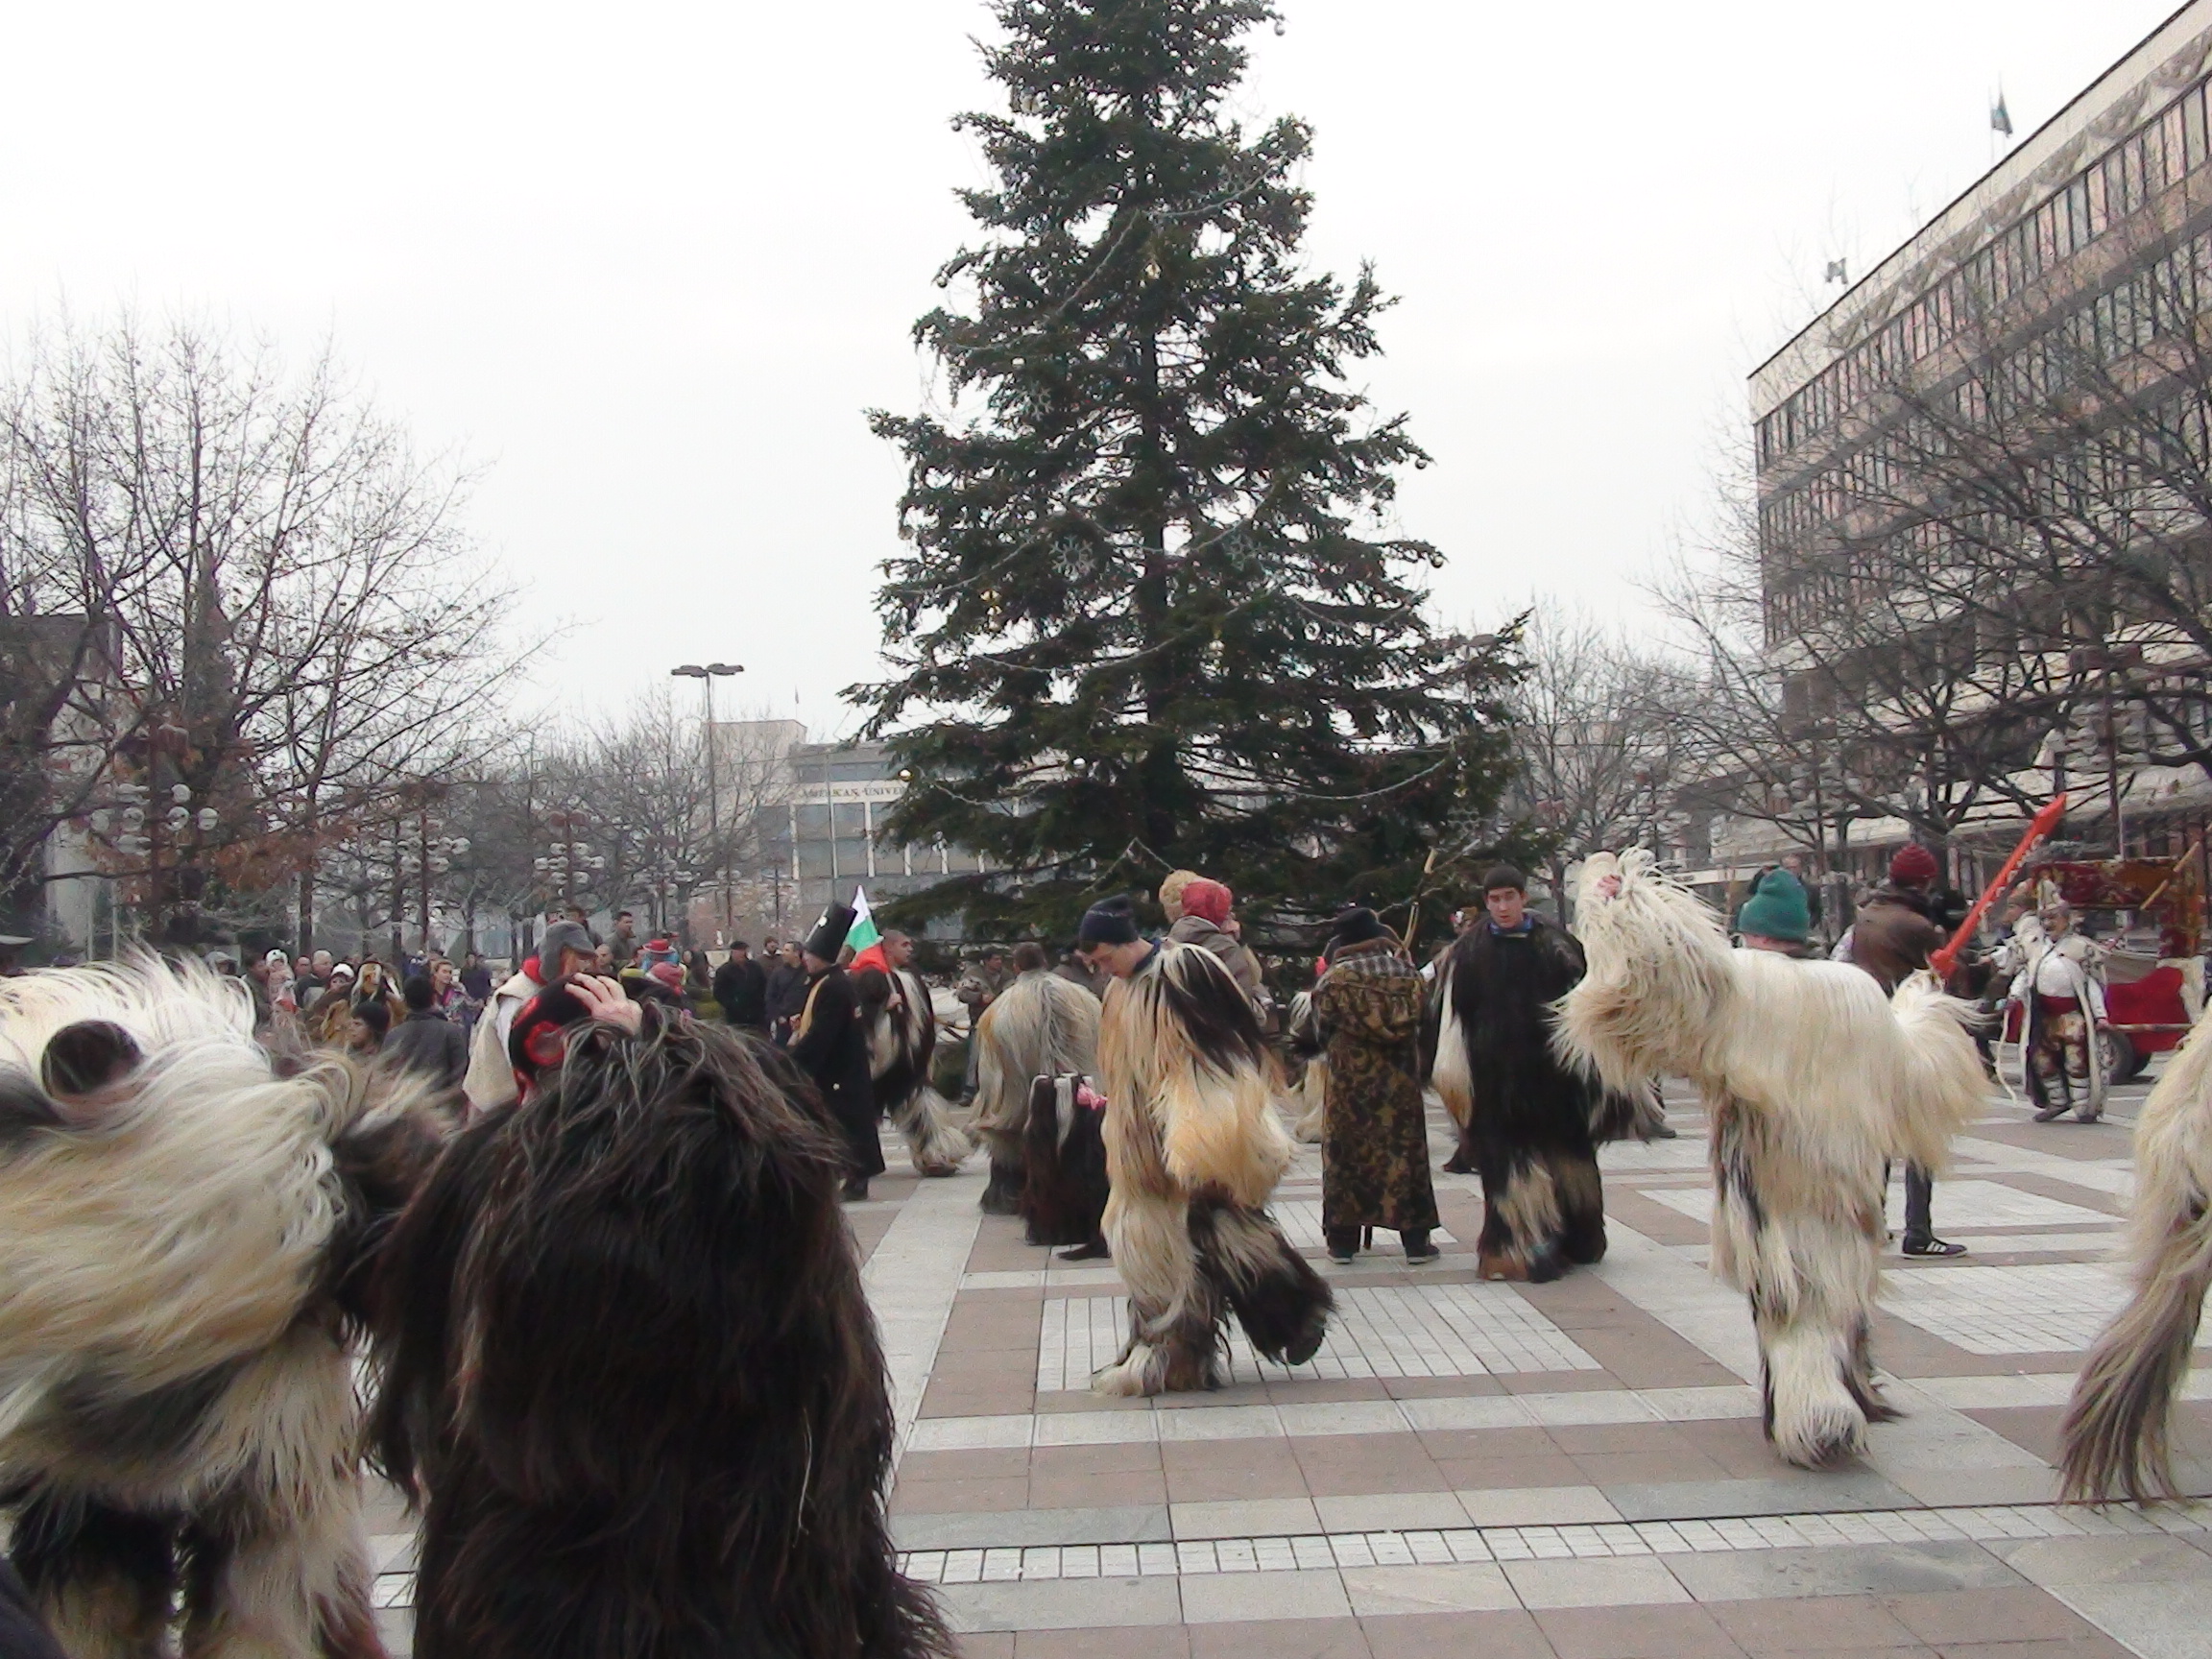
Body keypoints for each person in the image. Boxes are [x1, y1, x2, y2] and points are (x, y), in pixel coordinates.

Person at [1083, 896, 1331, 1394]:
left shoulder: (1184, 970)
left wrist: (1202, 1136)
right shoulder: (1121, 990)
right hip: (1143, 1148)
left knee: (1222, 1229)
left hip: (1200, 1140)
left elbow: (1228, 1054)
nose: (1098, 967)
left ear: (1126, 940)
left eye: (1102, 955)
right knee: (1151, 1246)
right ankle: (1174, 1349)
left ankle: (1289, 1318)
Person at [1431, 864, 1608, 1281]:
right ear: (1486, 902)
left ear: (1523, 898)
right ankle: (1519, 1242)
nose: (1502, 907)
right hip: (1494, 1076)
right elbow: (1451, 1016)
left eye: (1509, 897)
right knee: (1508, 1164)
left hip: (1555, 1073)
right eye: (1494, 900)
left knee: (1565, 1154)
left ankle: (1577, 1234)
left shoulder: (1556, 946)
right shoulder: (1469, 953)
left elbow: (1583, 1003)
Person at [1833, 845, 1967, 1256]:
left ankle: (1872, 1222)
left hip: (1868, 1032)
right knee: (1919, 1134)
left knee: (1878, 1135)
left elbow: (1841, 964)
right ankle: (1919, 1231)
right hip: (1910, 1035)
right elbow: (1953, 981)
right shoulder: (1915, 925)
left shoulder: (1865, 917)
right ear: (1925, 881)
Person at [1313, 907, 1440, 1265]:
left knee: (1346, 1158)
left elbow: (1319, 1032)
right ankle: (1415, 1241)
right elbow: (1426, 1024)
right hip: (1399, 1089)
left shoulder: (1333, 982)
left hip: (1348, 1091)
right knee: (1406, 1157)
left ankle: (1342, 1242)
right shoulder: (1409, 977)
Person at [788, 903, 885, 1199]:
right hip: (840, 1068)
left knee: (848, 1126)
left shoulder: (834, 987)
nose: (805, 959)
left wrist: (789, 1061)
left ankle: (857, 1179)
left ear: (822, 957)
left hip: (839, 1070)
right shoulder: (828, 983)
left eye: (809, 954)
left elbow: (822, 1036)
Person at [462, 920, 600, 1115]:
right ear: (559, 956)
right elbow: (520, 1061)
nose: (583, 967)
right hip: (497, 1109)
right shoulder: (517, 996)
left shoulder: (561, 995)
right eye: (578, 957)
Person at [2004, 895, 2110, 1124]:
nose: (2048, 923)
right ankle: (2057, 1101)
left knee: (2076, 1061)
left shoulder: (2080, 948)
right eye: (2044, 919)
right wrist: (2012, 997)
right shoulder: (2033, 947)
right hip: (2044, 1018)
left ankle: (2083, 1108)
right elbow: (2025, 975)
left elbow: (2091, 985)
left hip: (2071, 1018)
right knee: (2043, 1061)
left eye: (2053, 918)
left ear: (2067, 919)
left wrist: (2100, 1015)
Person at [1166, 877, 1266, 1010]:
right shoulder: (1226, 948)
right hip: (1216, 1028)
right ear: (1221, 912)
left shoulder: (1166, 945)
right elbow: (1242, 1003)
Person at [385, 973, 470, 1094]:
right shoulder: (452, 1032)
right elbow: (460, 1074)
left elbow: (387, 1075)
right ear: (433, 998)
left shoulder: (393, 1036)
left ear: (404, 1001)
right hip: (443, 1105)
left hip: (404, 1105)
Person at [954, 947, 1010, 1102]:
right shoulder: (973, 974)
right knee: (976, 1055)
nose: (999, 962)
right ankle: (969, 1090)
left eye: (1000, 959)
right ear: (986, 961)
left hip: (1003, 1021)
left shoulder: (1006, 975)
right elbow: (961, 993)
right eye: (995, 959)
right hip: (980, 1021)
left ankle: (1001, 1091)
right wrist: (979, 997)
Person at [713, 939, 770, 1031]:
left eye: (743, 951)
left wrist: (762, 1002)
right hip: (736, 1015)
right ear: (732, 953)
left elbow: (763, 984)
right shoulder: (724, 970)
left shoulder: (755, 967)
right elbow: (718, 992)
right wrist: (731, 1004)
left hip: (757, 1012)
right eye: (738, 952)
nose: (741, 954)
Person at [765, 938, 809, 1045]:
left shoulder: (808, 972)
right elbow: (770, 996)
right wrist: (777, 1016)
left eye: (787, 950)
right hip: (784, 1021)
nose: (783, 953)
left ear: (796, 953)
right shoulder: (778, 973)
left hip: (804, 1020)